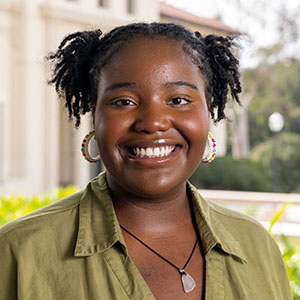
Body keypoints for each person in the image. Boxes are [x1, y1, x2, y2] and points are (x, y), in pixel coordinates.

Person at [0, 22, 292, 300]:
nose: (152, 123)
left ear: (208, 112)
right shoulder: (18, 253)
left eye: (178, 100)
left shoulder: (257, 247)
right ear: (94, 115)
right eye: (124, 101)